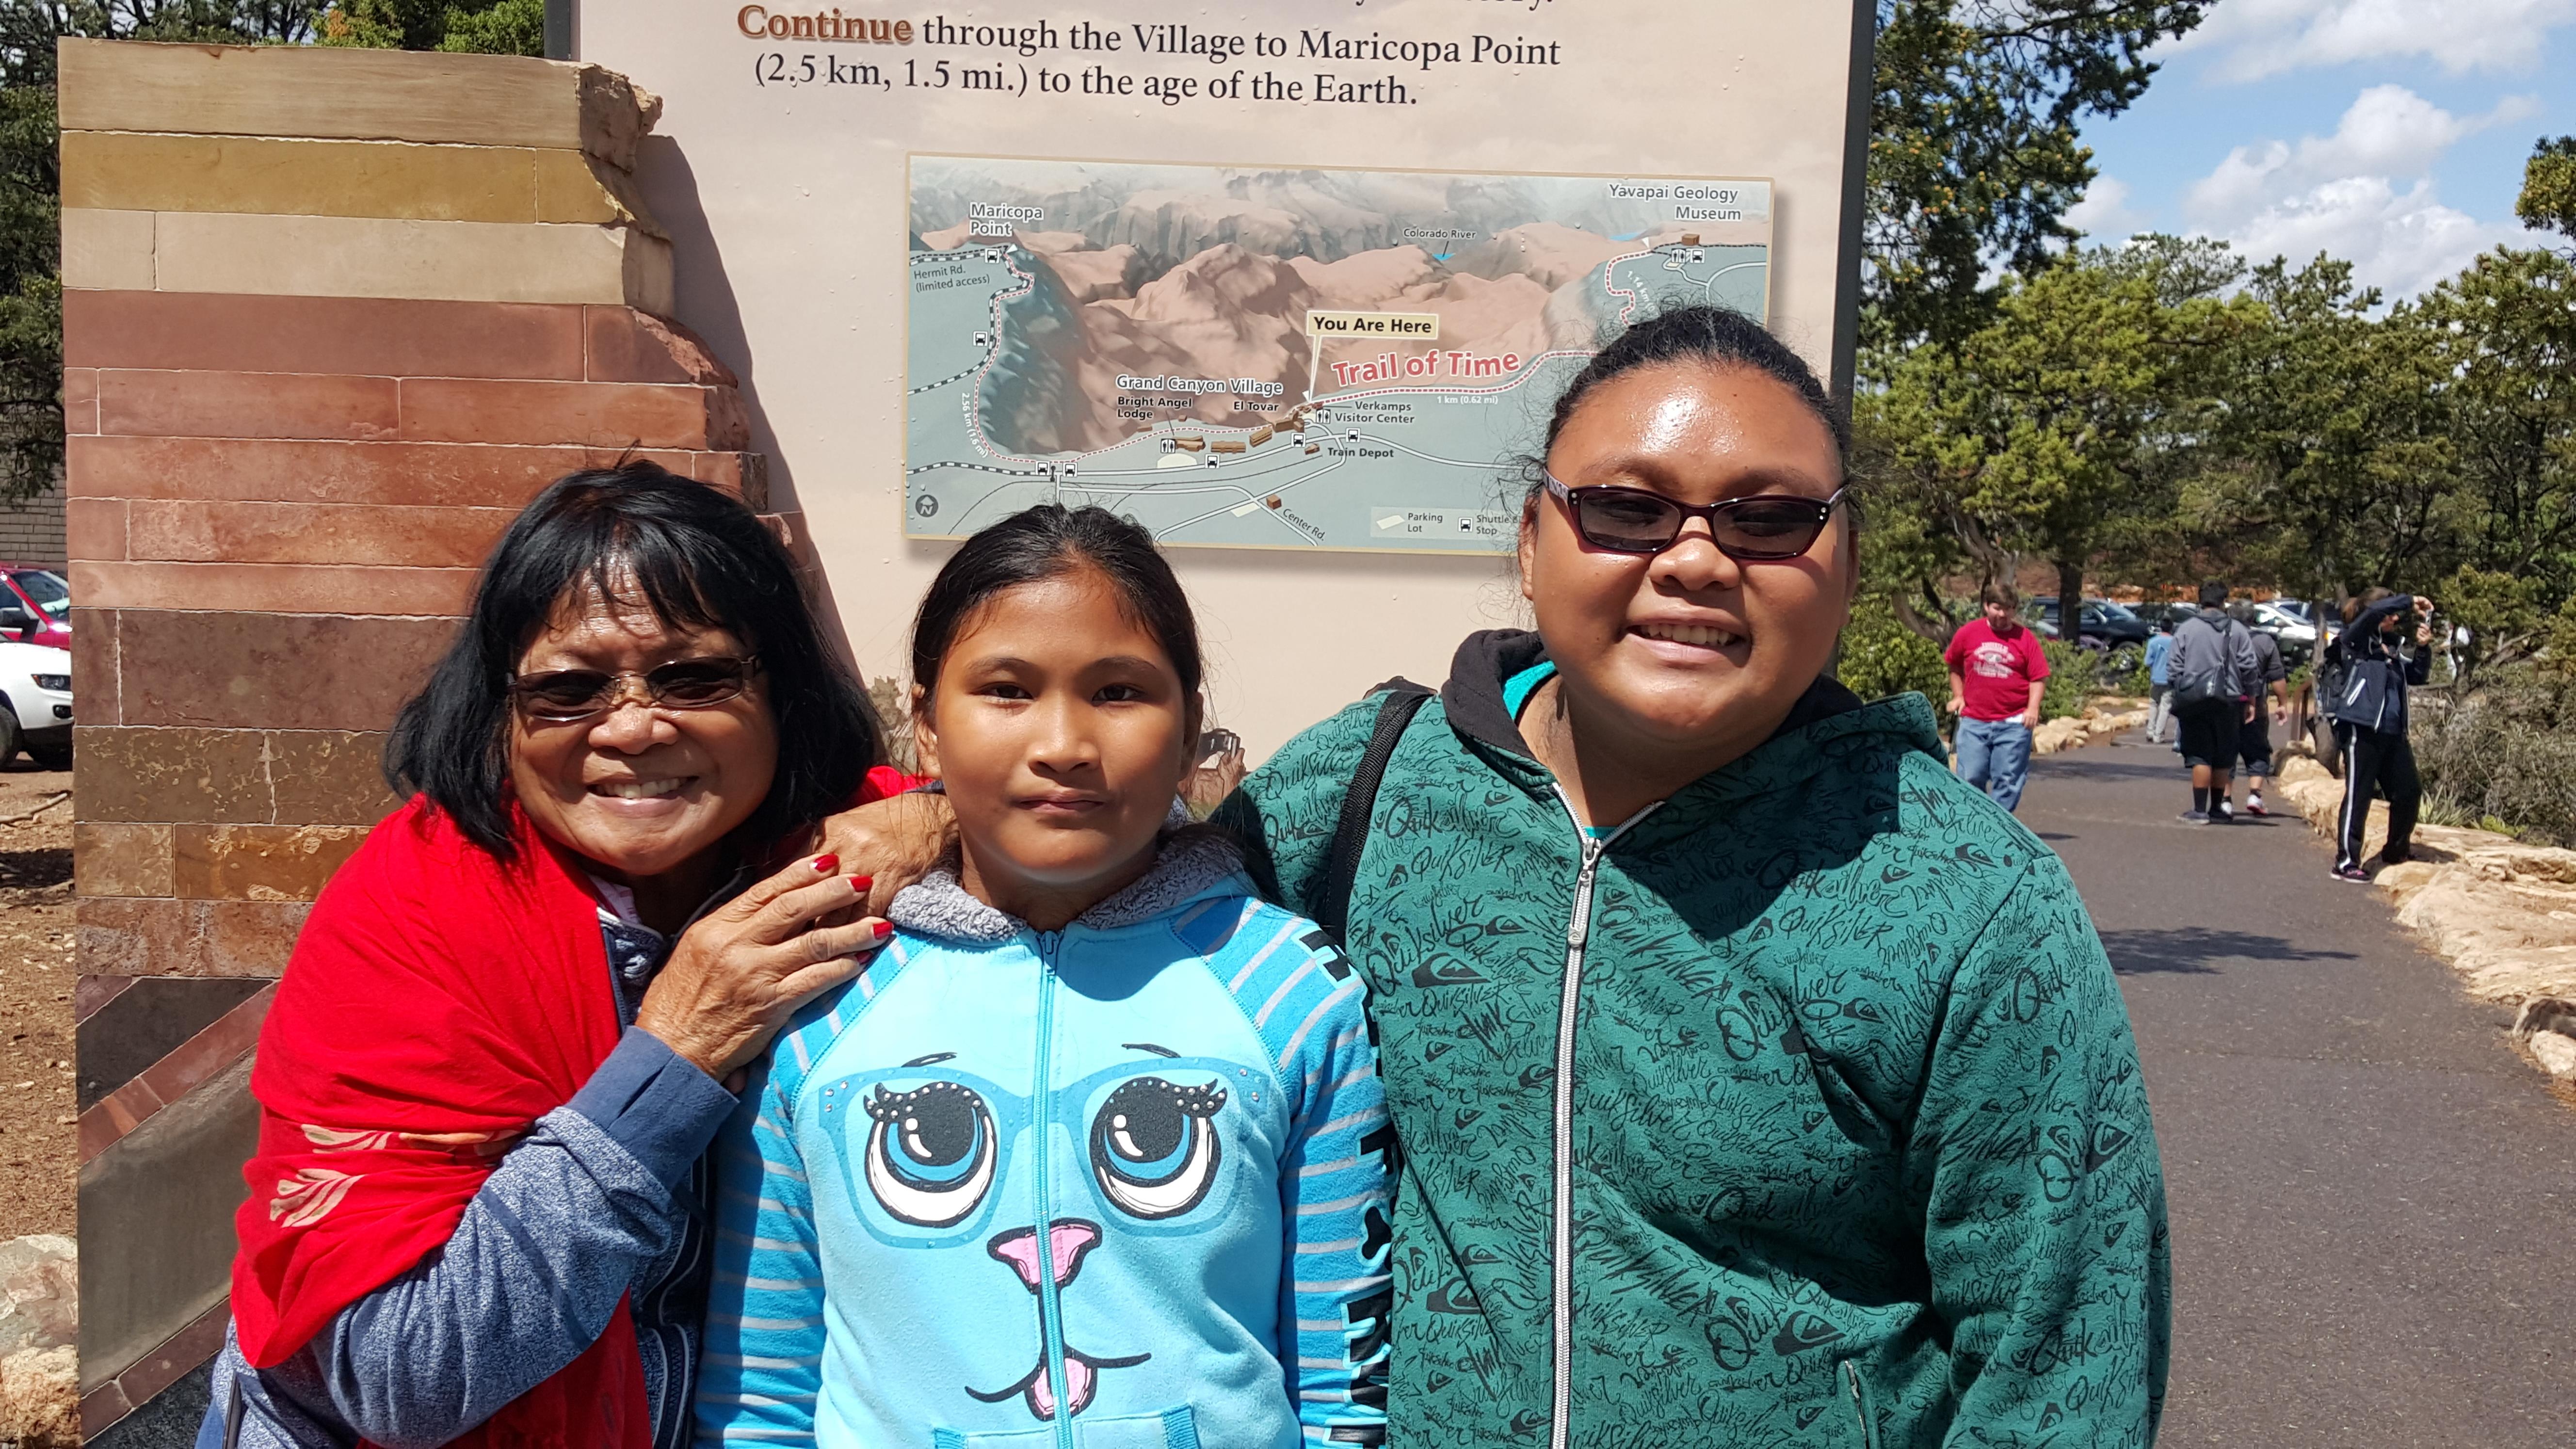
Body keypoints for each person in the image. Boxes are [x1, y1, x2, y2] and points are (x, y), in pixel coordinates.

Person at [822, 306, 2169, 1448]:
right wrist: (936, 818)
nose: (1694, 558)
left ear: (1847, 563)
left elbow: (2067, 1354)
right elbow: (1117, 878)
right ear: (1532, 542)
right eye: (1627, 508)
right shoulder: (1369, 784)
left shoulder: (1967, 898)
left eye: (1768, 518)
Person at [201, 464, 903, 1449]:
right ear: (501, 710)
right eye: (569, 689)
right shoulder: (411, 921)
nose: (631, 728)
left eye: (692, 676)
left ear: (780, 690)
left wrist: (935, 820)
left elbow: (1111, 832)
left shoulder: (855, 843)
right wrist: (672, 1061)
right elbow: (402, 1380)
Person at [695, 506, 1390, 1447]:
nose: (1062, 742)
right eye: (1007, 690)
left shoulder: (1291, 993)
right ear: (928, 728)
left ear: (1191, 731)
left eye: (1117, 691)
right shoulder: (820, 990)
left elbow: (1342, 1387)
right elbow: (761, 1392)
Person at [2326, 588, 2434, 882]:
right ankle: (2346, 861)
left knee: (2409, 791)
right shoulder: (2356, 638)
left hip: (2392, 732)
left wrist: (2423, 649)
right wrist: (2410, 600)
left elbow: (2417, 677)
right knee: (2360, 795)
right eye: (2392, 614)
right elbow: (2374, 613)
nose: (2396, 619)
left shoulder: (2392, 647)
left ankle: (2396, 850)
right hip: (2361, 727)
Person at [1942, 580, 2049, 812]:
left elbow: (2038, 677)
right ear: (1986, 606)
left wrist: (2033, 708)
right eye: (1997, 608)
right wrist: (1959, 696)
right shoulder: (1969, 633)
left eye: (2008, 609)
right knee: (1971, 776)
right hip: (1974, 720)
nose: (2002, 614)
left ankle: (1998, 828)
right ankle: (1975, 823)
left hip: (2013, 722)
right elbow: (1954, 665)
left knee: (2008, 781)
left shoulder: (2025, 638)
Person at [2164, 581, 2260, 823]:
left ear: (2200, 600)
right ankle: (2218, 809)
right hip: (2229, 700)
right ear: (2224, 602)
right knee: (2224, 755)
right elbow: (2250, 667)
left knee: (2199, 754)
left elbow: (2174, 668)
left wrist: (2181, 688)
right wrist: (2251, 698)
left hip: (2194, 701)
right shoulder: (2237, 630)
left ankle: (2199, 810)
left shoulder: (2186, 628)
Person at [2227, 601, 2291, 817]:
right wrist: (2283, 703)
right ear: (2253, 617)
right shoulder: (2264, 641)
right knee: (2258, 752)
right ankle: (2255, 795)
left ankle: (2225, 800)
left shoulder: (2223, 637)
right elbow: (2277, 675)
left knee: (2225, 753)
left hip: (2225, 704)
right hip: (2257, 705)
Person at [2144, 613, 2177, 743]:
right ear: (2172, 628)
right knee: (2165, 707)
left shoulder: (2153, 642)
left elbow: (2147, 662)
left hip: (2155, 678)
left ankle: (2150, 731)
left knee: (2153, 704)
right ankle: (2158, 735)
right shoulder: (2176, 642)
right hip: (2170, 679)